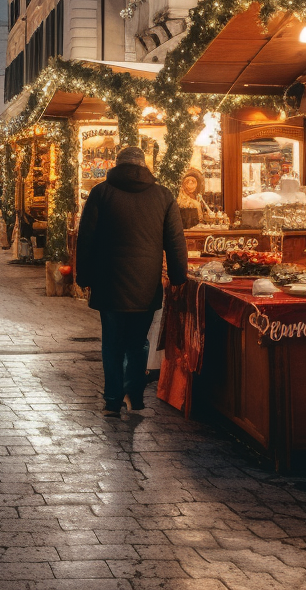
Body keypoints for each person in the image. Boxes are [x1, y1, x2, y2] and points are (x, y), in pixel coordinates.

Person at [76, 146, 187, 417]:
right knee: (138, 343)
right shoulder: (163, 195)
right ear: (144, 166)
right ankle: (134, 397)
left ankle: (112, 401)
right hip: (145, 283)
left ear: (117, 165)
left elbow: (86, 239)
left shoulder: (101, 193)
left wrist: (84, 276)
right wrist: (178, 277)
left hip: (109, 283)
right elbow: (175, 241)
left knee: (112, 343)